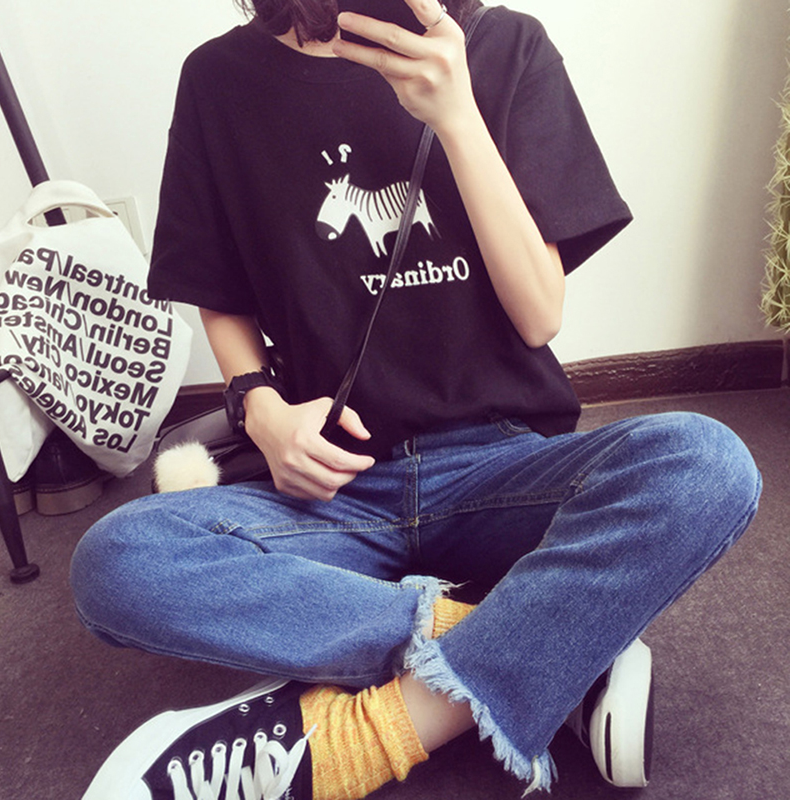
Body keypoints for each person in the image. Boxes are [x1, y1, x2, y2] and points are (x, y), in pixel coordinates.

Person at [70, 0, 762, 798]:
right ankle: (547, 646)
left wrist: (458, 117)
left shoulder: (505, 46)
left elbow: (540, 314)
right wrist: (263, 414)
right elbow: (217, 294)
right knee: (118, 562)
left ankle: (364, 739)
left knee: (704, 466)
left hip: (505, 470)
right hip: (334, 488)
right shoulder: (218, 79)